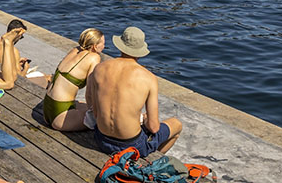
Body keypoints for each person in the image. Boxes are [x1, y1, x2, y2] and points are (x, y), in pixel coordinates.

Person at [87, 26, 182, 158]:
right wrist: (146, 120)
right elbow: (154, 128)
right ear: (140, 51)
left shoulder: (99, 68)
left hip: (102, 140)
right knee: (176, 125)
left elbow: (96, 113)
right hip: (132, 146)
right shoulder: (149, 78)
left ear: (120, 46)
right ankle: (150, 161)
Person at [43, 28, 104, 131]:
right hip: (60, 116)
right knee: (101, 118)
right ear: (95, 46)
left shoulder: (75, 50)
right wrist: (93, 115)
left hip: (47, 108)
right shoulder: (94, 58)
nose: (104, 46)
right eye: (103, 43)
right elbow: (89, 93)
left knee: (82, 105)